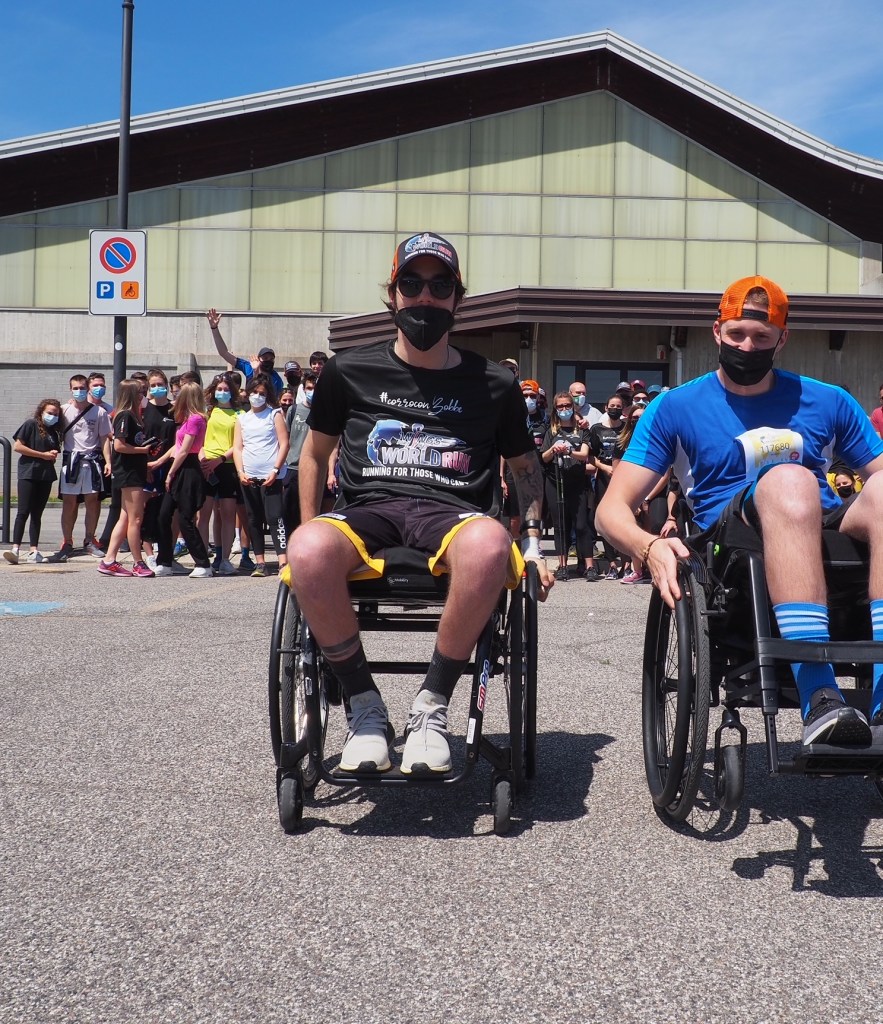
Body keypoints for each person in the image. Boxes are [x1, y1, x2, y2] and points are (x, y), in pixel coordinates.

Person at [287, 231, 553, 776]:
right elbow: (313, 455)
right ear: (393, 294)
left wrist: (534, 544)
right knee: (307, 549)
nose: (425, 297)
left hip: (452, 513)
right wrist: (307, 533)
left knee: (490, 545)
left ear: (458, 297)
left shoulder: (495, 382)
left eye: (439, 285)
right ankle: (364, 707)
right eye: (412, 284)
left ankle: (431, 707)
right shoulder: (347, 370)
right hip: (369, 508)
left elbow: (525, 467)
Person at [596, 275, 883, 747]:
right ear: (717, 332)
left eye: (761, 337)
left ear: (781, 340)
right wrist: (648, 547)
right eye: (737, 334)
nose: (747, 347)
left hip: (824, 523)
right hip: (733, 541)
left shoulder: (829, 400)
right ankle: (819, 695)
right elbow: (611, 509)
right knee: (788, 478)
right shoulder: (676, 407)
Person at [49, 375, 113, 562]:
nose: (79, 391)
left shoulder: (99, 412)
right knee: (69, 503)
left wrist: (108, 461)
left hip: (92, 461)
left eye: (82, 388)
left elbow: (104, 439)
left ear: (88, 389)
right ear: (70, 389)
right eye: (75, 388)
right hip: (71, 461)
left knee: (92, 501)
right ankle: (67, 542)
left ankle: (89, 540)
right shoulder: (63, 410)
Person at [232, 374, 290, 578]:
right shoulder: (242, 418)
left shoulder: (274, 414)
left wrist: (275, 470)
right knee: (253, 519)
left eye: (262, 393)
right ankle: (260, 562)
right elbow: (237, 448)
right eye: (254, 392)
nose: (257, 396)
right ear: (248, 393)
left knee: (275, 518)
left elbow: (284, 443)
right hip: (249, 477)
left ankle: (283, 561)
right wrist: (240, 472)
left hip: (271, 476)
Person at [97, 380, 156, 578]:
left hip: (135, 471)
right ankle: (138, 562)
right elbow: (119, 445)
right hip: (128, 473)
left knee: (125, 517)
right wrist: (142, 450)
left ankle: (109, 559)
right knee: (136, 519)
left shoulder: (134, 416)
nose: (143, 395)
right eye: (139, 392)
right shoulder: (124, 415)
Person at [154, 382, 213, 578]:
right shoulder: (186, 419)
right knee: (164, 515)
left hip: (188, 469)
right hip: (180, 466)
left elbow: (185, 450)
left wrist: (170, 473)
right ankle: (165, 561)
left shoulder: (196, 419)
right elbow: (177, 447)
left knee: (185, 518)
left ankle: (203, 563)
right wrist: (161, 461)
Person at [539, 391, 595, 581]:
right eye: (560, 406)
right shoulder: (551, 431)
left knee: (581, 525)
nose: (564, 409)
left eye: (567, 405)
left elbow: (584, 454)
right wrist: (553, 449)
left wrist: (570, 451)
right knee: (560, 525)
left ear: (572, 406)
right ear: (555, 409)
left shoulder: (581, 429)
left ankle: (589, 566)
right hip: (555, 482)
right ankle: (562, 565)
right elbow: (544, 457)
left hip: (577, 483)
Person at [5, 399, 63, 564]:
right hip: (28, 473)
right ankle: (15, 549)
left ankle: (34, 550)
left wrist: (51, 455)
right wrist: (42, 455)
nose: (52, 416)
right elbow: (18, 446)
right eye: (50, 413)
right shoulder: (31, 425)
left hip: (45, 475)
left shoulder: (53, 432)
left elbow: (52, 453)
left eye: (56, 414)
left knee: (37, 514)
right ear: (41, 412)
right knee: (23, 511)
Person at [198, 372, 242, 576]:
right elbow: (199, 439)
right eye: (219, 389)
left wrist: (220, 460)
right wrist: (203, 459)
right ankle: (203, 559)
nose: (222, 392)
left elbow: (238, 444)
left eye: (226, 389)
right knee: (204, 513)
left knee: (227, 514)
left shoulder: (239, 414)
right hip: (206, 465)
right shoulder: (207, 412)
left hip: (227, 465)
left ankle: (225, 559)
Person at [205, 308, 285, 395]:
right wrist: (214, 328)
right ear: (258, 359)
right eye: (265, 358)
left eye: (271, 359)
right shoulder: (249, 368)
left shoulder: (277, 379)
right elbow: (224, 353)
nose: (268, 361)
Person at [589, 394, 626, 578]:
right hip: (604, 478)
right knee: (605, 519)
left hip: (625, 477)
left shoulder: (627, 429)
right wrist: (605, 468)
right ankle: (612, 562)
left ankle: (626, 564)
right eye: (612, 406)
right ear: (606, 407)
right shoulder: (597, 429)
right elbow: (591, 456)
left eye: (618, 406)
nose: (615, 409)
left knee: (624, 519)